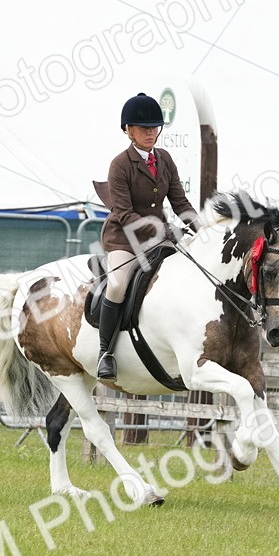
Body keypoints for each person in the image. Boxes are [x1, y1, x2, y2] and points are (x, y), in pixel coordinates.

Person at [96, 92, 198, 380]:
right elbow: (124, 214)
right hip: (124, 238)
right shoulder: (120, 165)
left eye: (154, 127)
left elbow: (181, 203)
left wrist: (204, 231)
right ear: (128, 130)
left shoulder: (164, 159)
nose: (150, 133)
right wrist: (164, 230)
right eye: (143, 128)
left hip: (159, 237)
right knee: (116, 286)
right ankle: (106, 353)